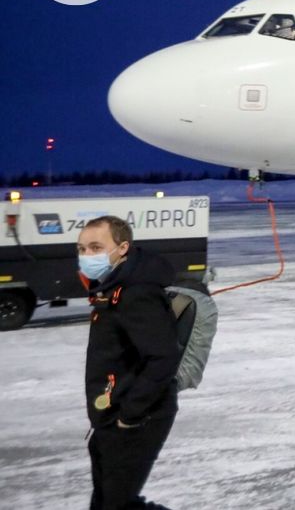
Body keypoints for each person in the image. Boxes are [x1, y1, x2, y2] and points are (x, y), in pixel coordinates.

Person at [80, 215, 182, 510]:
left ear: (122, 247)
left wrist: (131, 414)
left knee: (117, 505)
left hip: (136, 418)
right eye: (82, 248)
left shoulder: (136, 292)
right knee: (107, 502)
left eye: (96, 247)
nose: (87, 255)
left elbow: (162, 357)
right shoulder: (113, 288)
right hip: (111, 415)